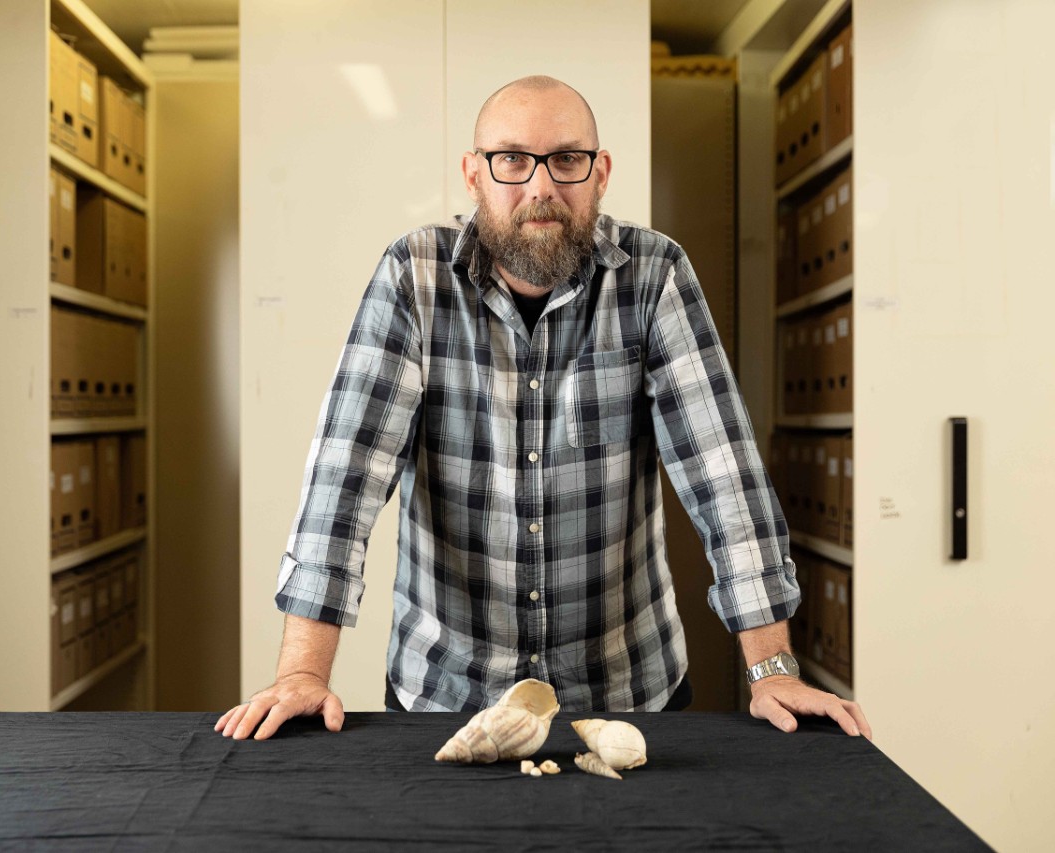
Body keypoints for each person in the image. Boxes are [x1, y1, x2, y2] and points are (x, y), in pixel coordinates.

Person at [217, 75, 870, 742]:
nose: (540, 187)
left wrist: (774, 669)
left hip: (626, 694)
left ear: (601, 172)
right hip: (447, 697)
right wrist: (302, 670)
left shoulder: (654, 276)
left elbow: (723, 474)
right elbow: (344, 477)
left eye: (565, 159)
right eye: (511, 160)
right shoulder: (411, 275)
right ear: (473, 174)